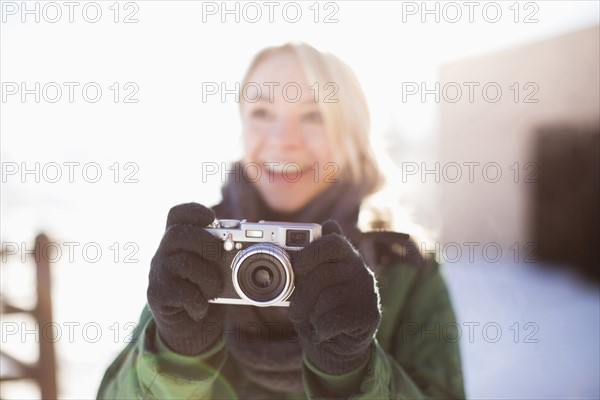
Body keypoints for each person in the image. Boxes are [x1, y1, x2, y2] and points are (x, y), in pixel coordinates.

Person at [97, 42, 465, 399]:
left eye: (314, 115)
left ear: (352, 133)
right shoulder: (200, 249)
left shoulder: (403, 263)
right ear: (241, 127)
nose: (283, 139)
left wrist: (352, 370)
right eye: (261, 112)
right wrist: (175, 352)